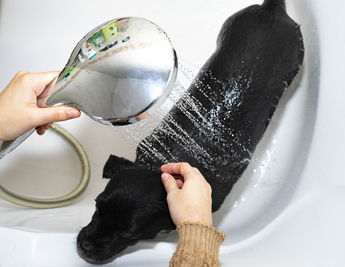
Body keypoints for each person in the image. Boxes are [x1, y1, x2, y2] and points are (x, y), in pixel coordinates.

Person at [0, 71, 225, 266]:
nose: (90, 241)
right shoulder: (138, 164)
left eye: (125, 232)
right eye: (100, 208)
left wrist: (193, 225)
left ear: (173, 221)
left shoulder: (213, 197)